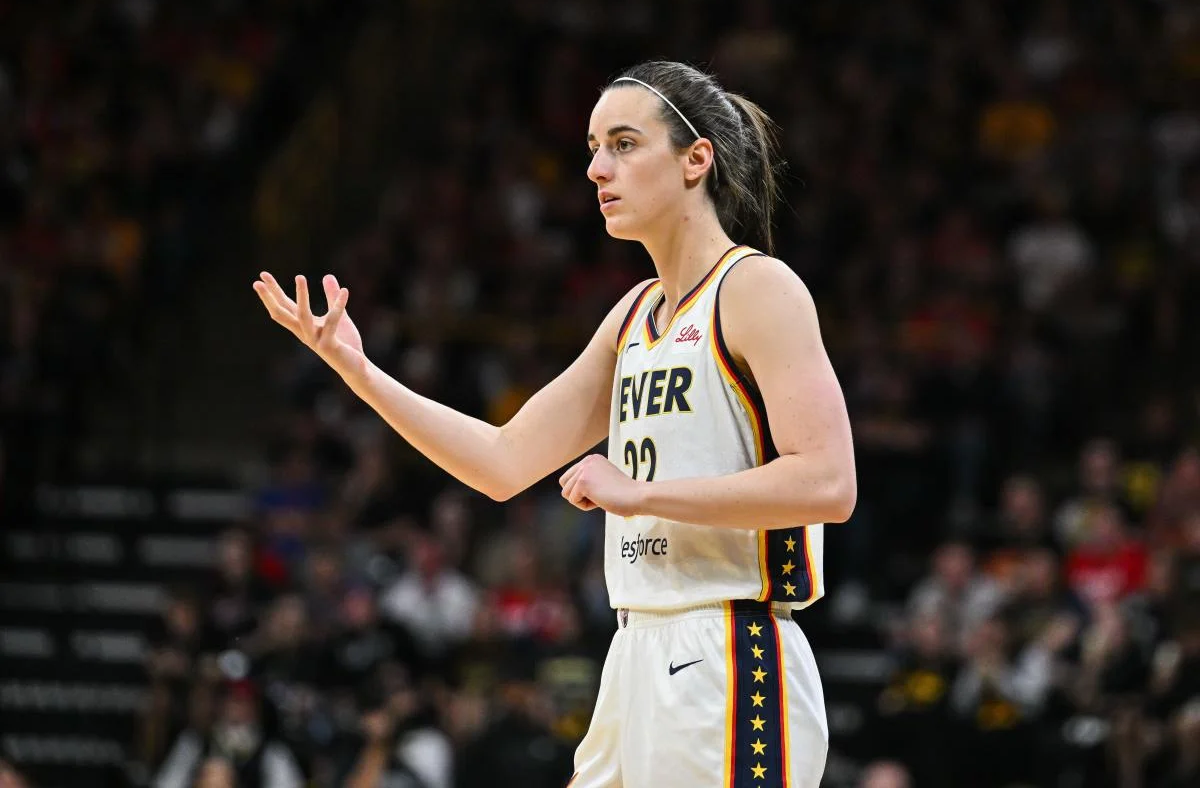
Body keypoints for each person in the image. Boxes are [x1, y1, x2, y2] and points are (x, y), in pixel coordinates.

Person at [253, 60, 856, 787]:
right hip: (635, 651)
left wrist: (641, 495)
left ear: (696, 159)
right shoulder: (634, 316)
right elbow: (502, 462)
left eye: (624, 144)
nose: (598, 169)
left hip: (730, 648)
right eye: (594, 148)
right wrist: (360, 373)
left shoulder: (757, 287)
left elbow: (828, 483)